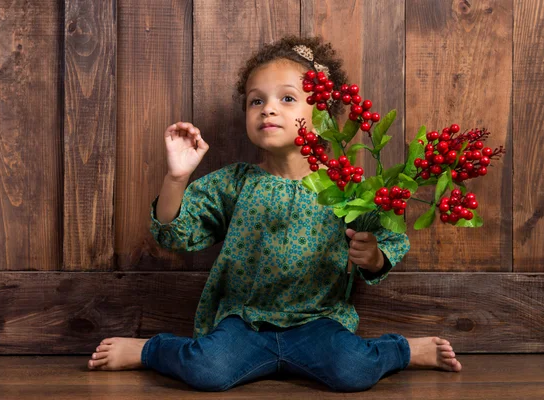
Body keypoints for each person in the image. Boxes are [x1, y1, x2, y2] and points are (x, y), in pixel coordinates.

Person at [87, 35, 462, 392]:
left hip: (317, 323)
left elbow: (390, 239)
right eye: (256, 101)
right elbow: (174, 232)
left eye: (287, 98)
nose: (268, 108)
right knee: (206, 370)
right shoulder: (236, 183)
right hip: (244, 324)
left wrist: (374, 256)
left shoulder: (348, 187)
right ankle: (150, 349)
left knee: (354, 370)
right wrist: (176, 177)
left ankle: (403, 351)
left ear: (323, 115)